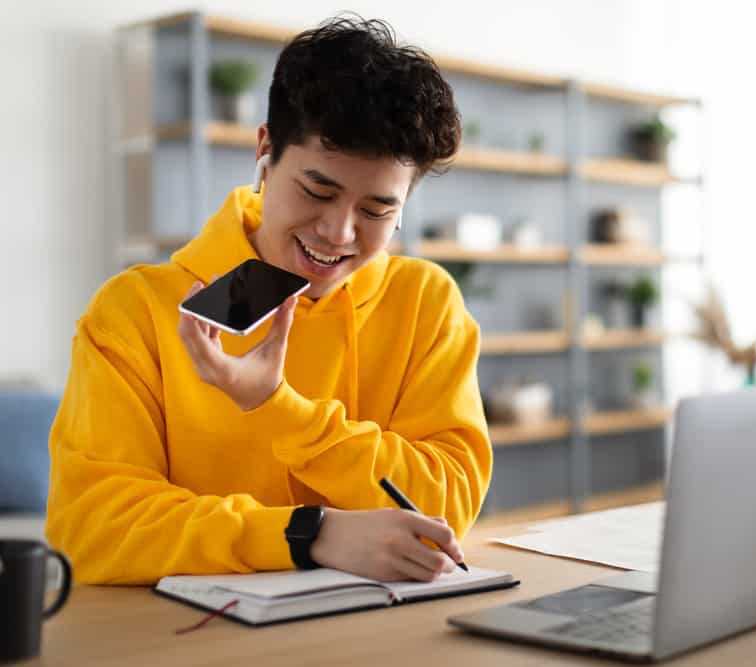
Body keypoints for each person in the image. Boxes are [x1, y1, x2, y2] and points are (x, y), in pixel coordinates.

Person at [45, 15, 492, 586]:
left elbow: (447, 506)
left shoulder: (425, 302)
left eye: (377, 211)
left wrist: (282, 409)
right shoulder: (134, 312)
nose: (339, 232)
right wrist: (308, 534)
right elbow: (90, 527)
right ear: (265, 152)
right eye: (317, 190)